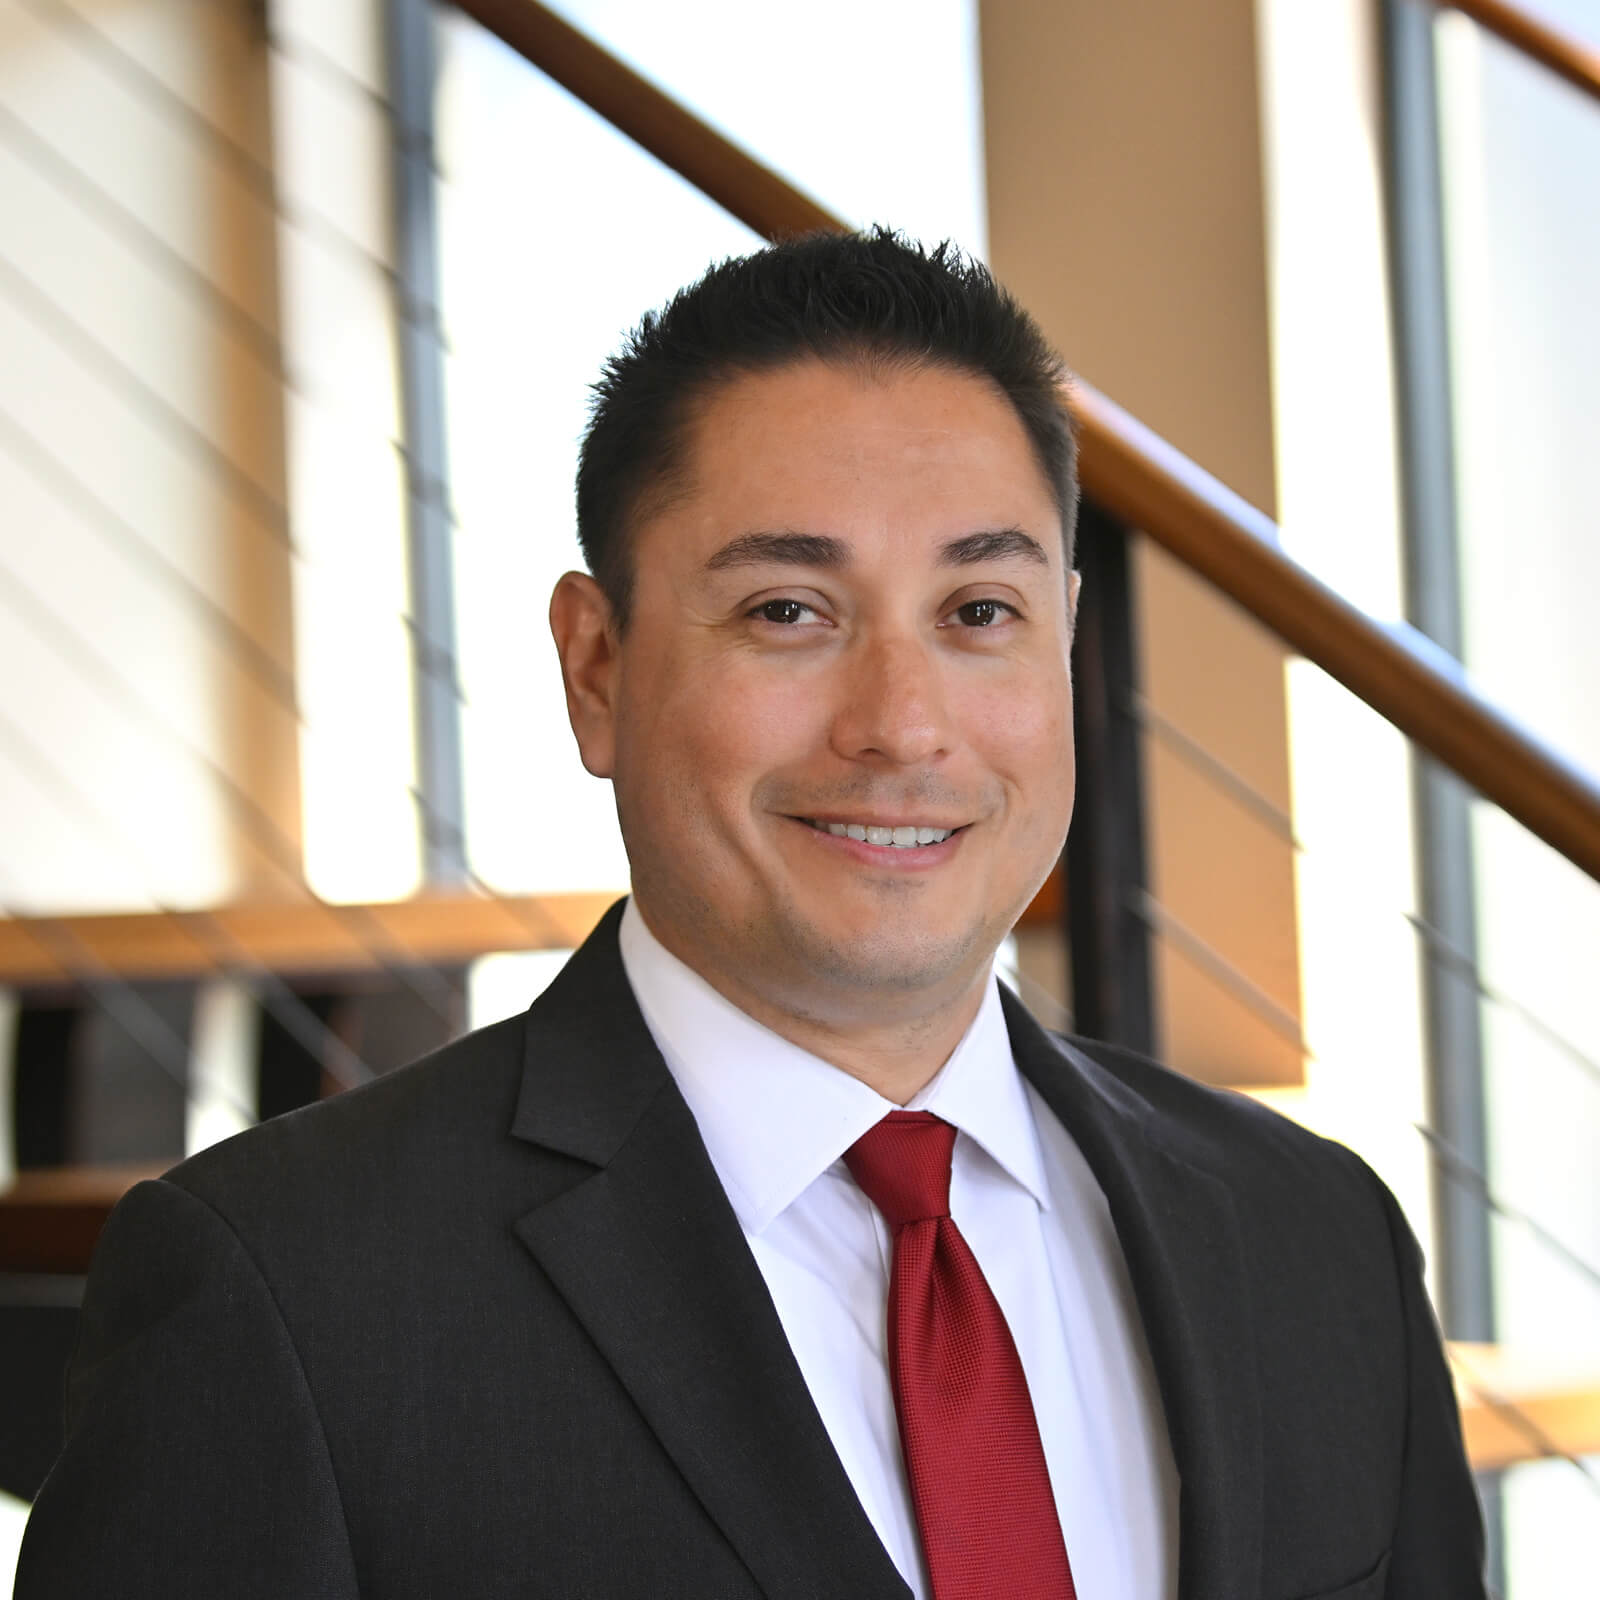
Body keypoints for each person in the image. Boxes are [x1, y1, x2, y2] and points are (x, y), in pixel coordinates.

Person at [17, 230, 1484, 1599]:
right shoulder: (284, 1295)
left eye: (979, 613)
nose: (904, 726)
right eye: (790, 610)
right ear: (597, 669)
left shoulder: (1316, 1235)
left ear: (1068, 651)